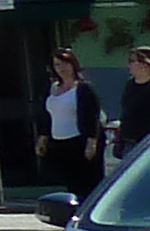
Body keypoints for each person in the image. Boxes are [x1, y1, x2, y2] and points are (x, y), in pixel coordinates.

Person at [40, 48, 108, 195]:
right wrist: (43, 138)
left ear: (73, 65)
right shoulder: (53, 89)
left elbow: (92, 116)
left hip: (79, 142)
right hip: (60, 143)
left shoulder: (83, 88)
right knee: (70, 182)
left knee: (87, 183)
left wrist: (91, 142)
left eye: (65, 64)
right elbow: (47, 115)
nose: (61, 68)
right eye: (57, 65)